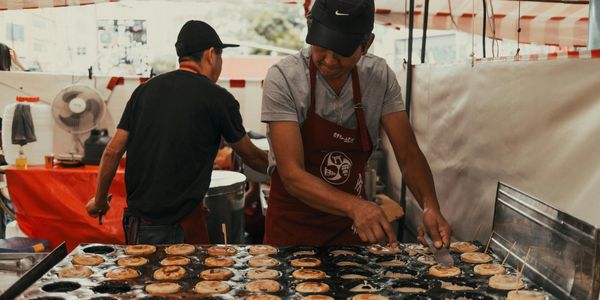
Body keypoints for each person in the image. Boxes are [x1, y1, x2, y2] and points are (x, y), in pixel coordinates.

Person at [261, 0, 452, 248]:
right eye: (321, 46)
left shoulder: (379, 77)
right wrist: (356, 206)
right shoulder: (285, 77)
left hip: (350, 232)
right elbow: (291, 174)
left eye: (342, 50)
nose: (329, 60)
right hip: (291, 231)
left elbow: (408, 153)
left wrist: (429, 205)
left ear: (366, 44)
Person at [86, 20, 268, 245]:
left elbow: (113, 151)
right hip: (180, 226)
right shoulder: (219, 98)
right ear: (211, 54)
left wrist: (100, 201)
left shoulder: (143, 91)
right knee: (184, 280)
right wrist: (283, 169)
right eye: (221, 56)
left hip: (140, 225)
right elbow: (250, 155)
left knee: (142, 280)